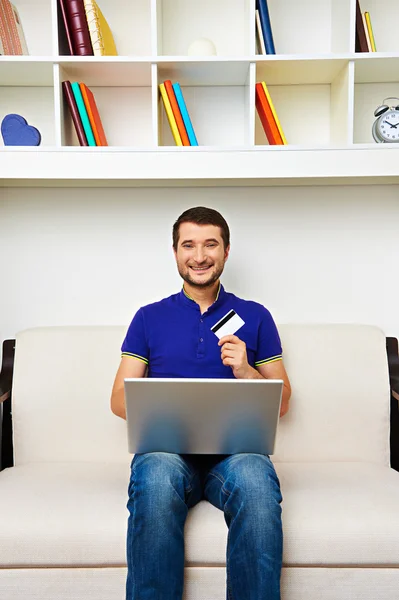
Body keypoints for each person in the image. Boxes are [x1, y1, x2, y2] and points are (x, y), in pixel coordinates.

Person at [110, 206, 292, 600]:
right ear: (175, 252)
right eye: (188, 245)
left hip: (236, 455)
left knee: (258, 483)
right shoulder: (148, 318)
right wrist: (165, 406)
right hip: (166, 453)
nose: (199, 255)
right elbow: (119, 400)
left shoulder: (255, 316)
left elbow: (283, 401)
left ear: (226, 251)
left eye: (211, 244)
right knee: (155, 476)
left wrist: (246, 370)